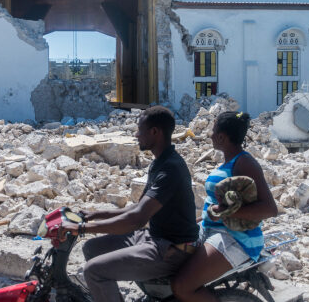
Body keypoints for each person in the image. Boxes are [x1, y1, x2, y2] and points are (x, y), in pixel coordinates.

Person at [58, 106, 199, 302]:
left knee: (93, 272)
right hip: (155, 237)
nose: (136, 134)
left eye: (140, 129)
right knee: (91, 248)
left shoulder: (170, 168)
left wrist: (82, 228)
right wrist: (93, 215)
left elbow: (136, 220)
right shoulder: (160, 162)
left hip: (172, 249)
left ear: (154, 132)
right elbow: (138, 208)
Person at [171, 111, 278, 302]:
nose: (210, 135)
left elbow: (270, 209)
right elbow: (217, 204)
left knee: (181, 287)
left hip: (235, 238)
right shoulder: (229, 162)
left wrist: (226, 213)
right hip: (212, 230)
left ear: (221, 136)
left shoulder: (244, 162)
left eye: (213, 131)